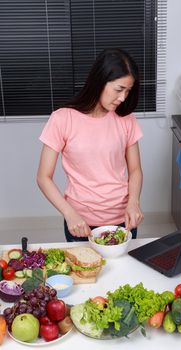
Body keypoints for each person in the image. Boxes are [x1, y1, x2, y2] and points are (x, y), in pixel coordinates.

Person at [37, 48, 144, 242]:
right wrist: (69, 214)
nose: (123, 98)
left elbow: (135, 169)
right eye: (119, 89)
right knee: (86, 273)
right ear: (100, 81)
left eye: (128, 91)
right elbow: (43, 177)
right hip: (80, 222)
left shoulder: (126, 118)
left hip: (123, 219)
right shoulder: (63, 118)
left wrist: (134, 203)